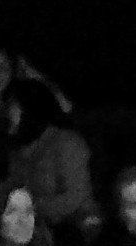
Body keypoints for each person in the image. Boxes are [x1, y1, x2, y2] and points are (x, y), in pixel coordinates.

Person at [5, 78, 98, 235]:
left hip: (74, 229)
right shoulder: (17, 149)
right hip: (35, 229)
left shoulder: (66, 143)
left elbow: (75, 196)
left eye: (13, 107)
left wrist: (29, 209)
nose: (8, 113)